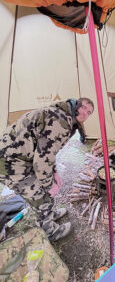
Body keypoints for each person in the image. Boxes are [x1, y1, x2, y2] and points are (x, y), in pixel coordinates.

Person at [0, 98, 94, 241]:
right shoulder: (61, 122)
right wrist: (49, 185)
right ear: (76, 105)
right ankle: (50, 232)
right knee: (42, 197)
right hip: (10, 165)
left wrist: (54, 172)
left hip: (22, 159)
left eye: (89, 113)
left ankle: (49, 214)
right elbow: (42, 160)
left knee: (47, 190)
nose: (86, 114)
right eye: (84, 108)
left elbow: (47, 151)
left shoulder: (62, 115)